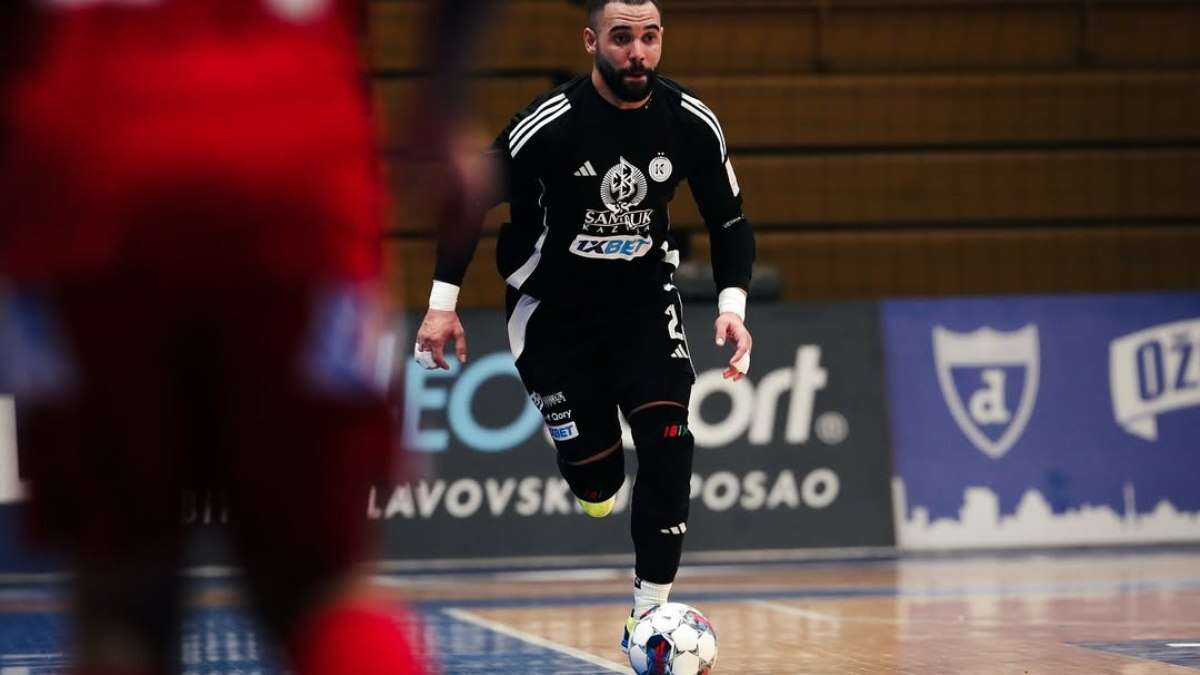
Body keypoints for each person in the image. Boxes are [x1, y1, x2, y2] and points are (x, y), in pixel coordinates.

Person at [0, 1, 493, 674]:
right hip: (291, 162)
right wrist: (442, 99)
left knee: (121, 593)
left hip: (92, 160)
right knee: (321, 583)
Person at [414, 0, 756, 652]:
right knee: (597, 482)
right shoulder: (549, 125)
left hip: (643, 304)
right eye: (622, 37)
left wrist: (733, 308)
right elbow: (465, 201)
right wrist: (441, 302)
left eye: (650, 38)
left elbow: (729, 221)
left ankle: (647, 616)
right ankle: (592, 476)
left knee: (669, 435)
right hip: (553, 314)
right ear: (591, 40)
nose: (638, 53)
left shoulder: (688, 122)